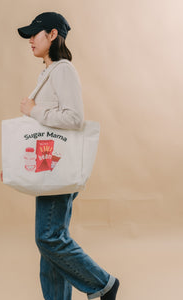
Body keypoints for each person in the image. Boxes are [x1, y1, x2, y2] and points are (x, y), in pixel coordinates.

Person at [17, 12, 120, 300]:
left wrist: (32, 110)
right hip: (49, 166)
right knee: (51, 244)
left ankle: (103, 284)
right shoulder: (48, 72)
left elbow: (73, 118)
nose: (30, 40)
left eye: (35, 34)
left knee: (49, 238)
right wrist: (18, 169)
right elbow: (41, 133)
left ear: (52, 35)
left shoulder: (62, 69)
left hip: (58, 168)